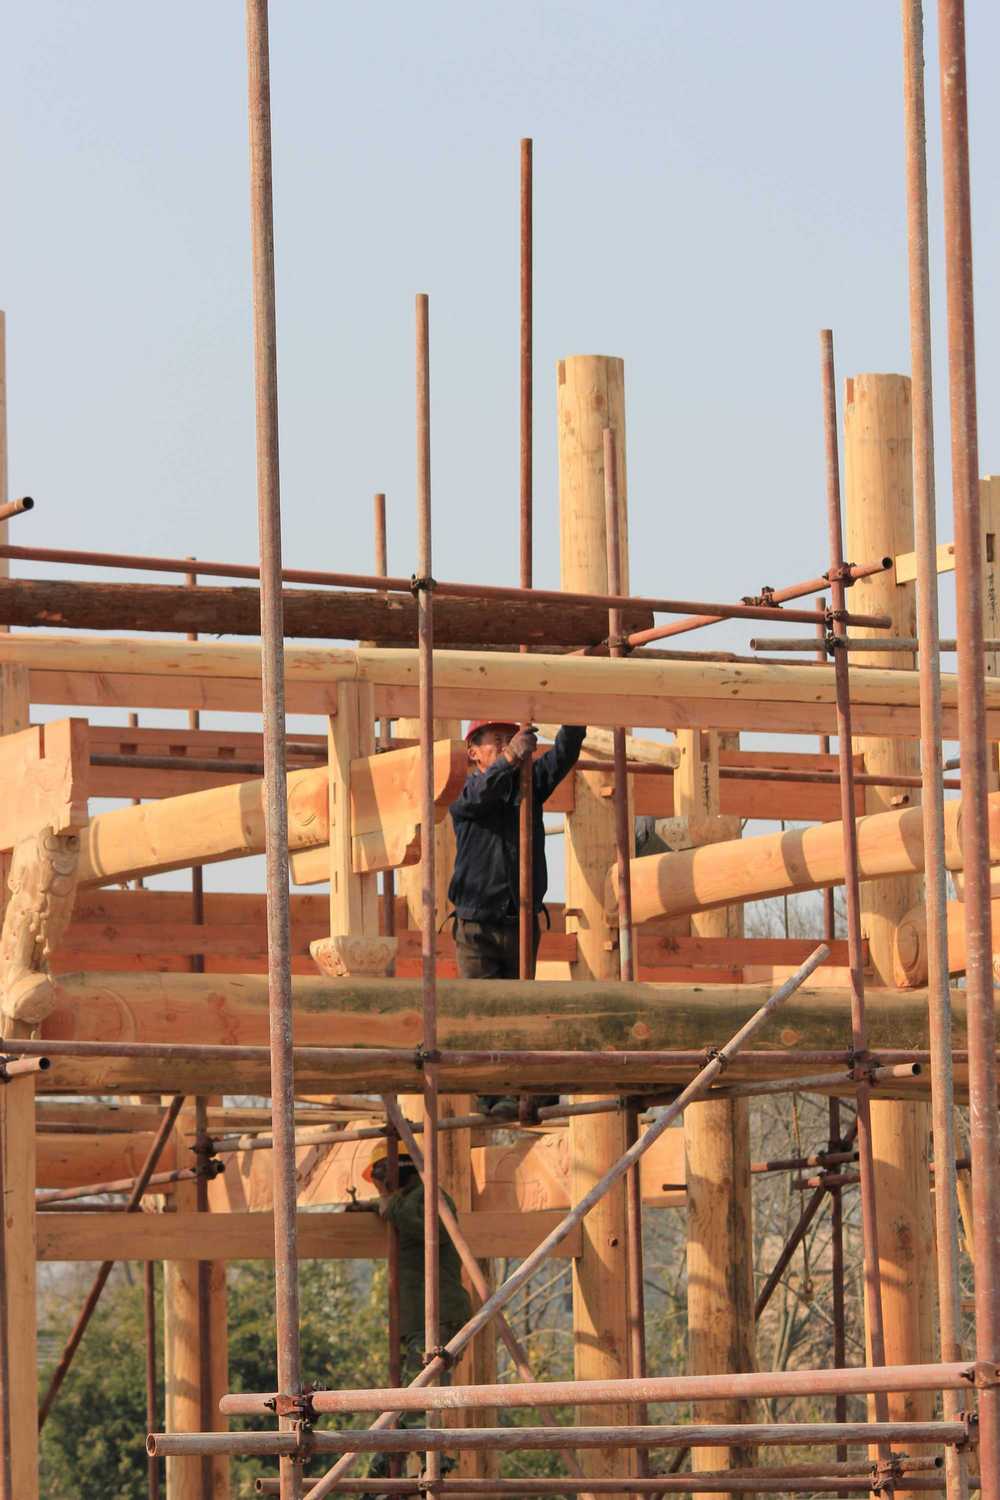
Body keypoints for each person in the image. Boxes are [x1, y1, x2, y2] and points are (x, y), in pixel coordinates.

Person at [448, 719, 586, 1120]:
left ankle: (523, 1092)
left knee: (521, 1013)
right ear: (473, 752)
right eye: (497, 741)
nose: (507, 745)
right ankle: (493, 1096)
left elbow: (562, 756)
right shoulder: (466, 791)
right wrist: (511, 758)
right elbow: (480, 794)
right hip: (476, 927)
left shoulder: (527, 785)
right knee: (485, 1014)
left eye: (510, 739)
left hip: (520, 922)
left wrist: (573, 719)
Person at [352, 1141, 472, 1494]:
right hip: (421, 1319)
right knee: (413, 1396)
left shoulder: (431, 1197)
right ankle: (405, 1463)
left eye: (379, 1180)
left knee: (416, 1399)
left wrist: (389, 1207)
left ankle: (420, 1462)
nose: (380, 1189)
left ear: (393, 1171)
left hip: (438, 1316)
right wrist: (374, 1208)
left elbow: (428, 1231)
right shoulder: (409, 1200)